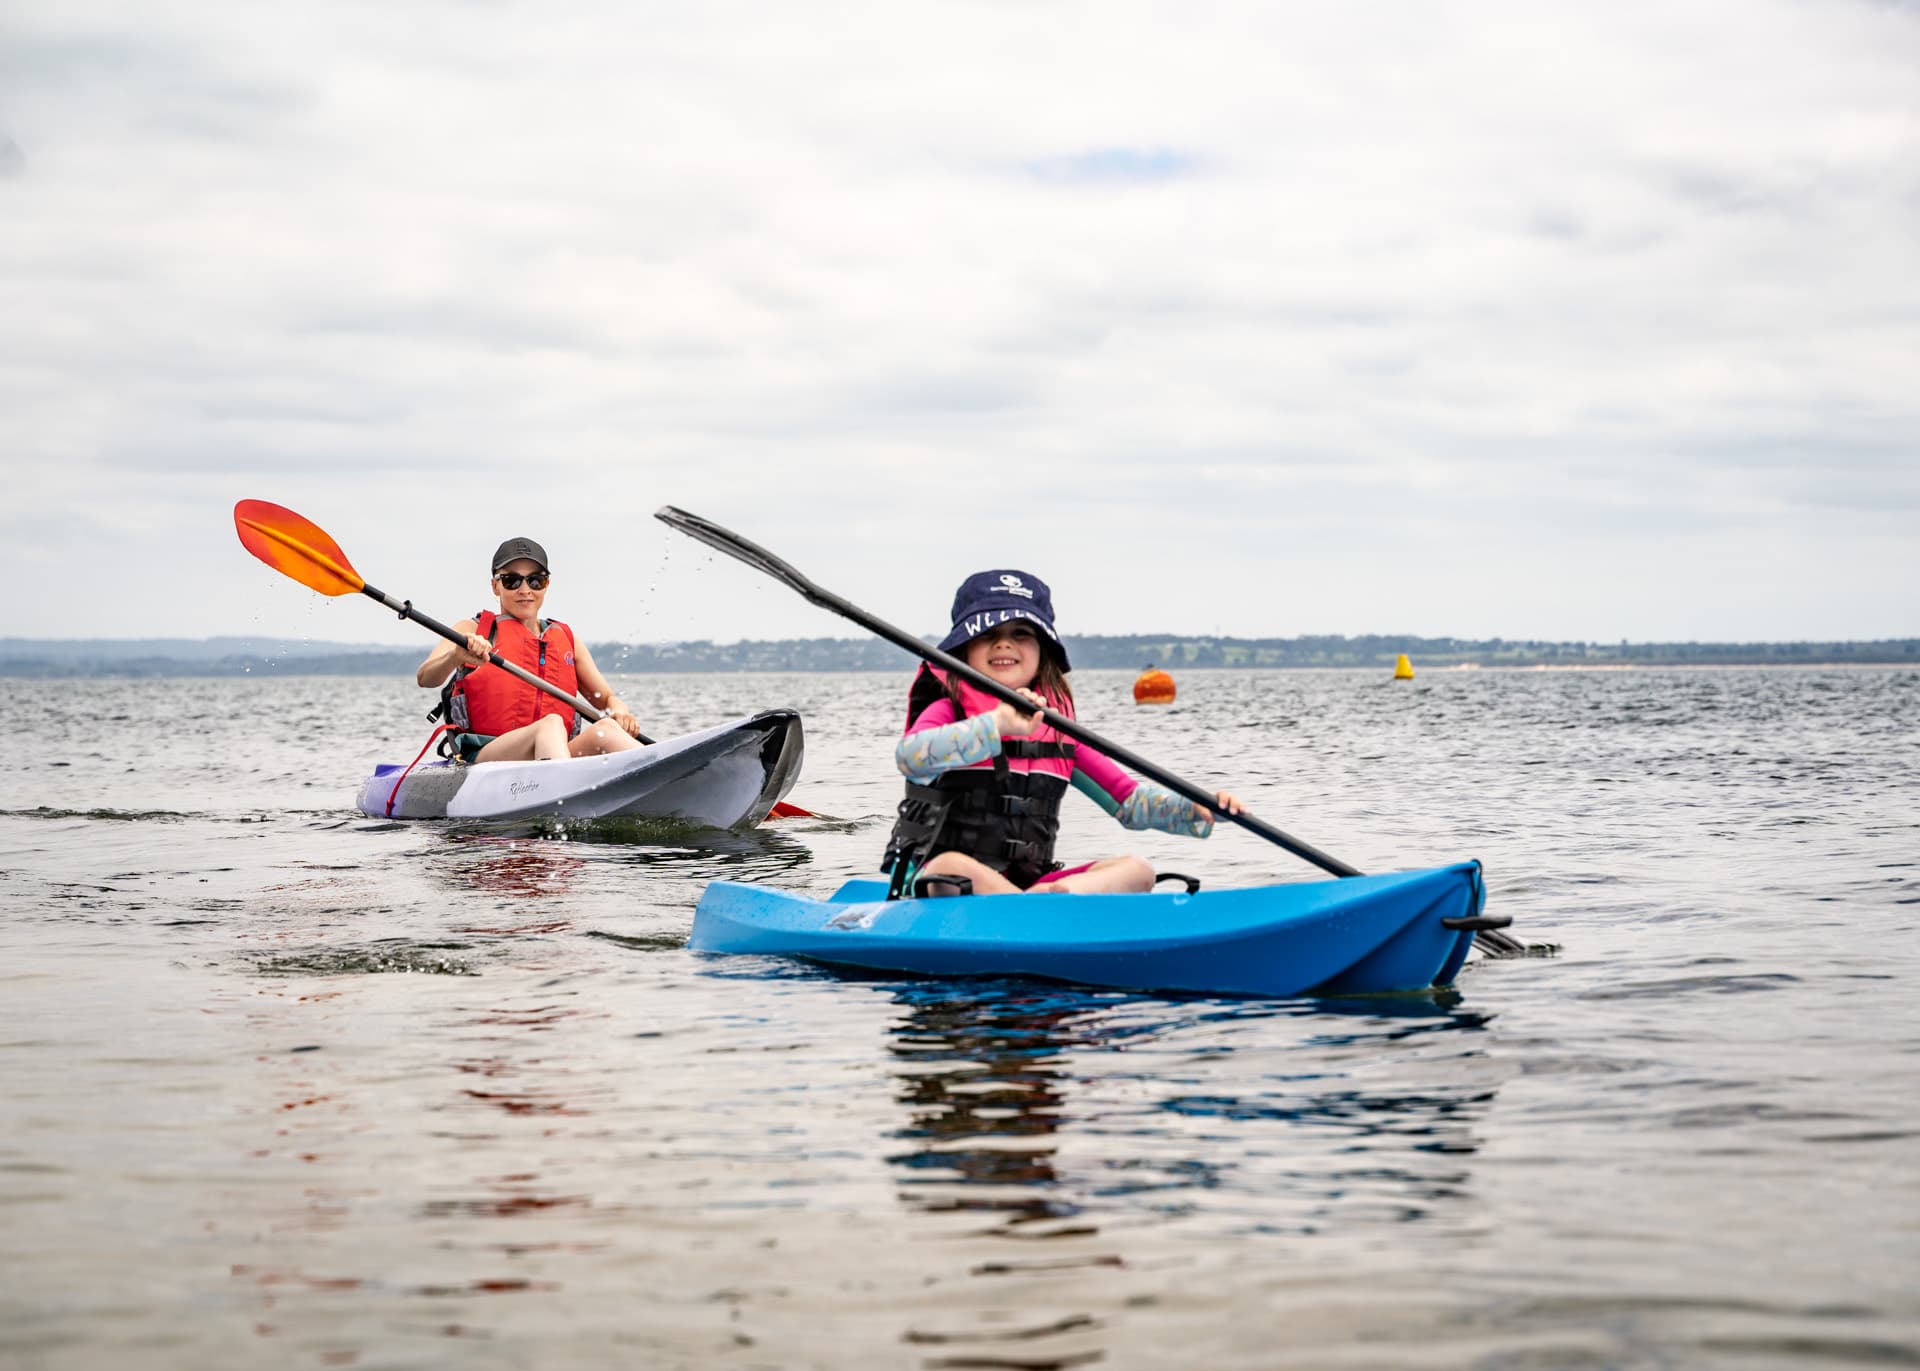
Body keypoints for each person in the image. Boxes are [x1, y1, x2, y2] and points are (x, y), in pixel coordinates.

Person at [883, 570, 1241, 897]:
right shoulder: (948, 710)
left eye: (1020, 634)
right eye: (988, 634)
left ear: (1043, 651)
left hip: (1030, 887)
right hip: (943, 887)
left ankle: (1053, 900)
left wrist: (1198, 808)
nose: (1004, 644)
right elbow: (911, 759)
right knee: (951, 868)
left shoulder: (1057, 734)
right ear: (965, 650)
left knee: (1139, 870)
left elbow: (1131, 804)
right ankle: (1035, 911)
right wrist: (996, 725)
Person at [416, 537, 645, 764]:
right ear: (495, 586)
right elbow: (426, 677)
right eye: (512, 581)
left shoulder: (566, 638)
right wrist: (455, 655)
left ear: (546, 585)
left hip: (554, 754)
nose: (525, 590)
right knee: (551, 723)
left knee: (605, 728)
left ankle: (665, 776)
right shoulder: (474, 629)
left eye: (535, 581)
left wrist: (618, 709)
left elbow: (605, 698)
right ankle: (560, 789)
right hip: (486, 757)